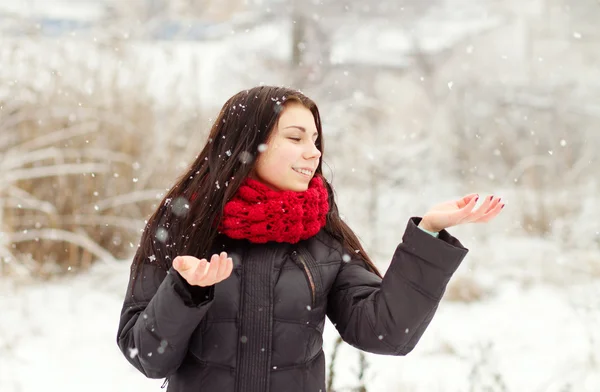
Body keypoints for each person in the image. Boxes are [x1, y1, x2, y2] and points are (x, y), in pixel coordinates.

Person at [116, 86, 504, 392]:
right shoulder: (184, 227)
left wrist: (429, 233)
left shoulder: (323, 238)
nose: (313, 153)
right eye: (296, 138)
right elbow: (147, 358)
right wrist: (185, 293)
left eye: (316, 140)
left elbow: (385, 332)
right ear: (249, 144)